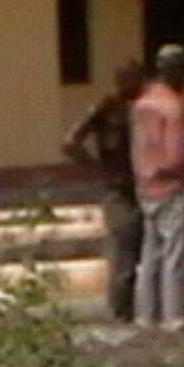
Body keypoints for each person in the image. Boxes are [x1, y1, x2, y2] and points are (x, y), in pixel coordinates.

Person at [62, 59, 145, 322]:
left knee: (144, 254)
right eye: (135, 79)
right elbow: (70, 142)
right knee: (123, 256)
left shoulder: (143, 109)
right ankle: (121, 313)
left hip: (145, 188)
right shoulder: (106, 108)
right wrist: (100, 170)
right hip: (119, 190)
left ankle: (141, 311)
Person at [130, 44, 184, 331]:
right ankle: (173, 316)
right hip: (171, 189)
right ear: (176, 72)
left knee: (150, 257)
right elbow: (176, 157)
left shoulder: (142, 105)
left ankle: (145, 316)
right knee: (174, 256)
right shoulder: (173, 107)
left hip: (145, 188)